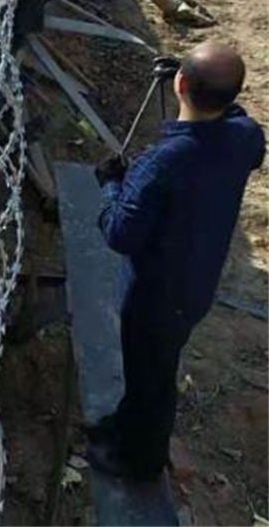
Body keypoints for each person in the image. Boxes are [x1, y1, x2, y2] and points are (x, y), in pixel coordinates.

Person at [89, 41, 265, 480]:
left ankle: (141, 461)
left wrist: (110, 185)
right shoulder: (245, 137)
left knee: (150, 373)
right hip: (197, 282)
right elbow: (237, 121)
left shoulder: (162, 163)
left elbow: (120, 234)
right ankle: (125, 424)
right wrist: (196, 84)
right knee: (154, 365)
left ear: (180, 84)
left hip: (155, 294)